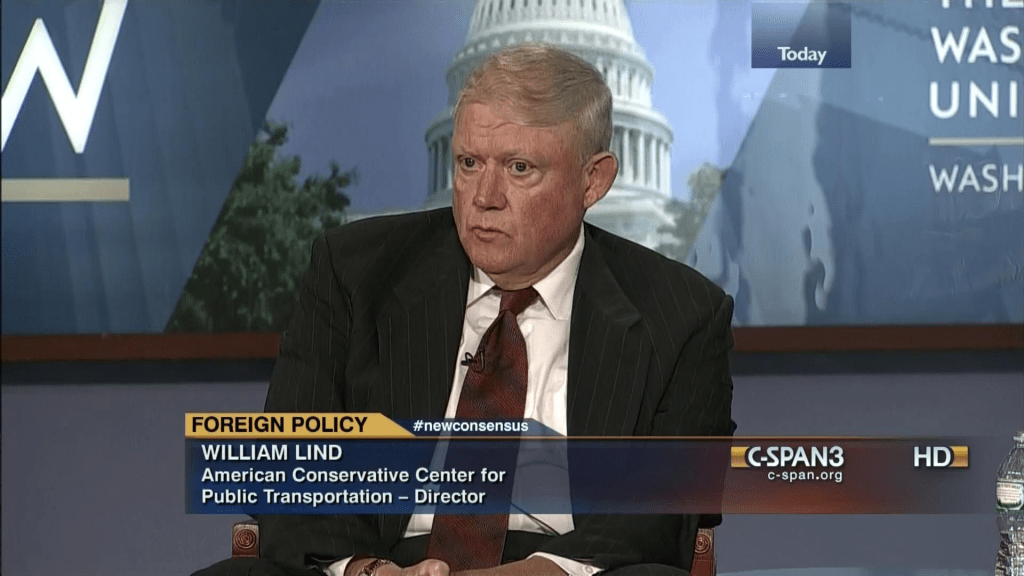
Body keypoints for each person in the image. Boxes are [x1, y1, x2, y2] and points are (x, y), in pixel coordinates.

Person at [195, 43, 733, 576]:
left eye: (519, 167)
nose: (484, 196)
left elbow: (666, 511)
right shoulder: (356, 272)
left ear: (593, 180)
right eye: (470, 163)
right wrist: (369, 571)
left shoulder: (682, 313)